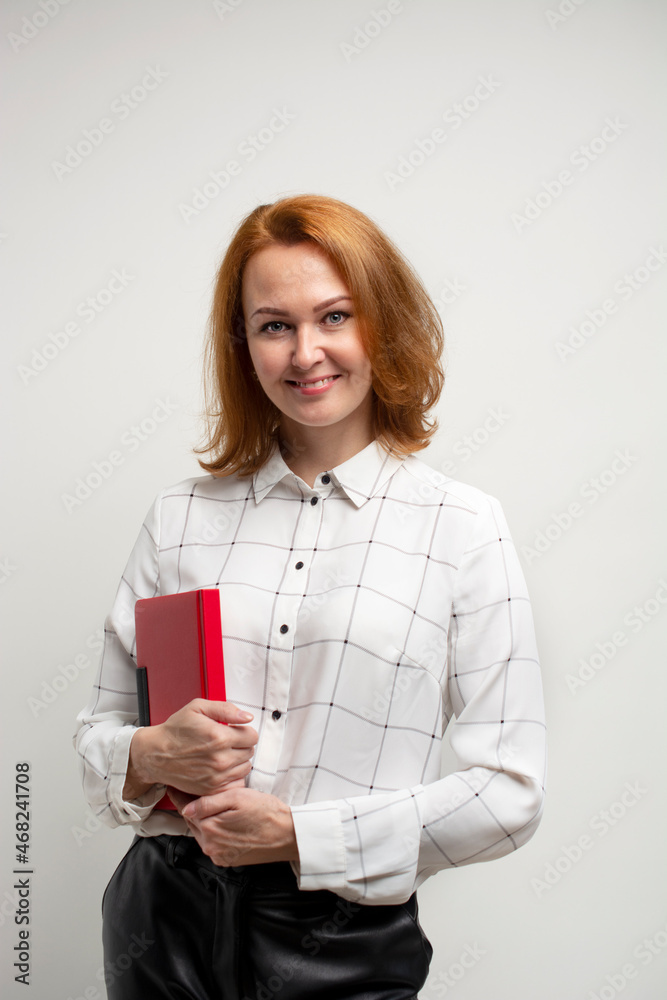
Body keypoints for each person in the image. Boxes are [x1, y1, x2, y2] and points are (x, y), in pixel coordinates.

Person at [74, 194, 547, 999]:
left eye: (334, 316)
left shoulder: (461, 526)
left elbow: (508, 794)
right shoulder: (179, 517)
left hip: (340, 940)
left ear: (381, 326)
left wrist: (299, 835)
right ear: (244, 345)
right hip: (161, 923)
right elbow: (96, 743)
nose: (305, 353)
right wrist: (149, 756)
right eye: (273, 325)